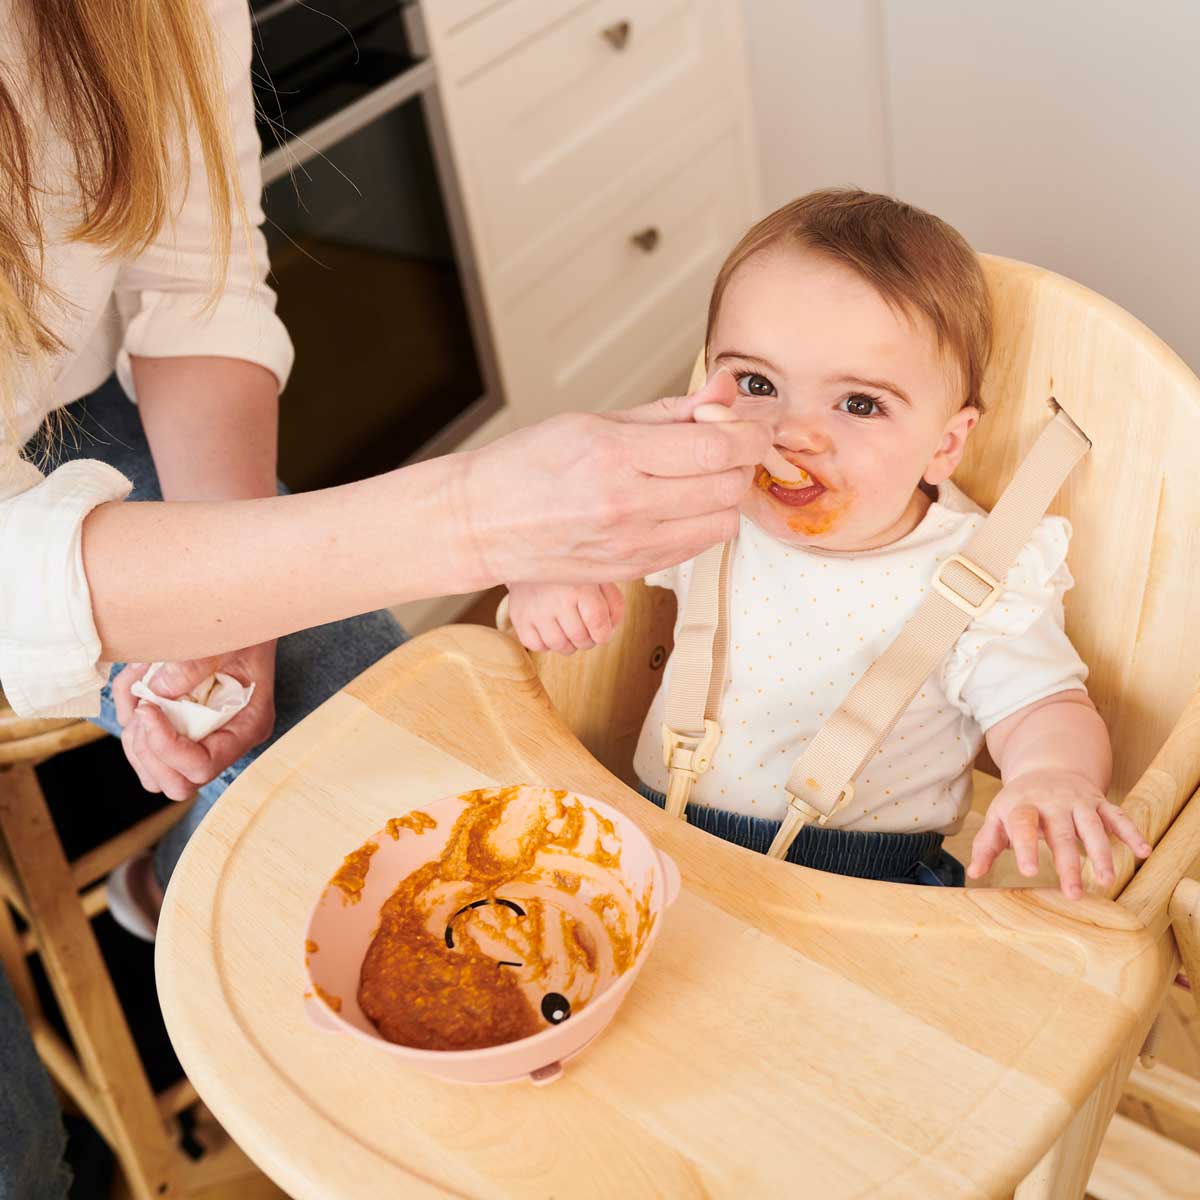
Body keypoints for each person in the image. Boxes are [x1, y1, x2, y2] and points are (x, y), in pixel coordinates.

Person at [0, 2, 779, 1194]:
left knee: (366, 752)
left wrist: (228, 593)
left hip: (83, 388)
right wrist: (474, 522)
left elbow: (193, 274)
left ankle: (164, 888)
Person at [506, 188, 1153, 896]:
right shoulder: (703, 500)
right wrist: (548, 577)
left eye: (859, 404)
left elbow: (1045, 708)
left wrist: (1051, 775)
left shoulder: (979, 575)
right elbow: (580, 536)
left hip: (866, 893)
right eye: (757, 382)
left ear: (944, 445)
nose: (794, 433)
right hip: (657, 843)